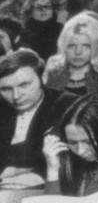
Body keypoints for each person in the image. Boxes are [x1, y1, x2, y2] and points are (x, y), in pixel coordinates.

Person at [1, 49, 71, 190]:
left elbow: (72, 160)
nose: (16, 96)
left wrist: (25, 173)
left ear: (43, 77)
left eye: (24, 85)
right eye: (5, 89)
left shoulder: (68, 105)